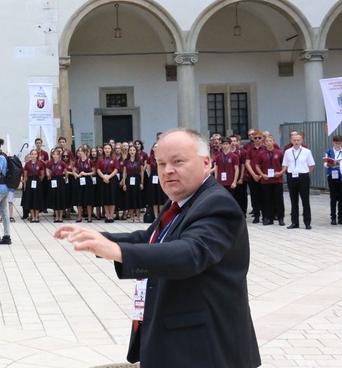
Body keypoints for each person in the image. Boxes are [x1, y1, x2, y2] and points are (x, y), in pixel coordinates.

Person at [54, 129, 261, 367]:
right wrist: (102, 240)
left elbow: (190, 253)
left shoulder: (217, 203)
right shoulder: (181, 201)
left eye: (178, 161)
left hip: (205, 348)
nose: (167, 170)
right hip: (180, 342)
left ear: (206, 163)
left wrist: (121, 253)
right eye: (161, 163)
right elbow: (151, 237)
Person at [281, 133, 315, 229]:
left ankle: (307, 222)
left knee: (305, 200)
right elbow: (285, 165)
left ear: (301, 141)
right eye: (294, 140)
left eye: (298, 140)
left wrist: (306, 173)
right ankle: (295, 222)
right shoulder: (287, 152)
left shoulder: (306, 152)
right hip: (292, 176)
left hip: (303, 176)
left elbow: (311, 165)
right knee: (293, 200)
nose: (296, 142)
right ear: (291, 141)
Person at [254, 135, 285, 226]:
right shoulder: (261, 153)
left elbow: (285, 165)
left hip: (277, 180)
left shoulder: (279, 153)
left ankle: (280, 218)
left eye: (270, 141)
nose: (269, 143)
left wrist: (281, 172)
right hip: (266, 180)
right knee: (267, 200)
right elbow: (257, 166)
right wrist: (262, 174)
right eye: (267, 141)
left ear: (273, 142)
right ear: (264, 143)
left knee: (279, 199)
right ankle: (269, 218)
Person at [324, 135, 342, 225]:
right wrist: (328, 164)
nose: (338, 144)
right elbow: (325, 163)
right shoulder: (328, 151)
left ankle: (341, 216)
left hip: (341, 176)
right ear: (333, 142)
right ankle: (333, 217)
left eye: (339, 143)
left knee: (341, 197)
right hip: (332, 175)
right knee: (333, 197)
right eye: (336, 142)